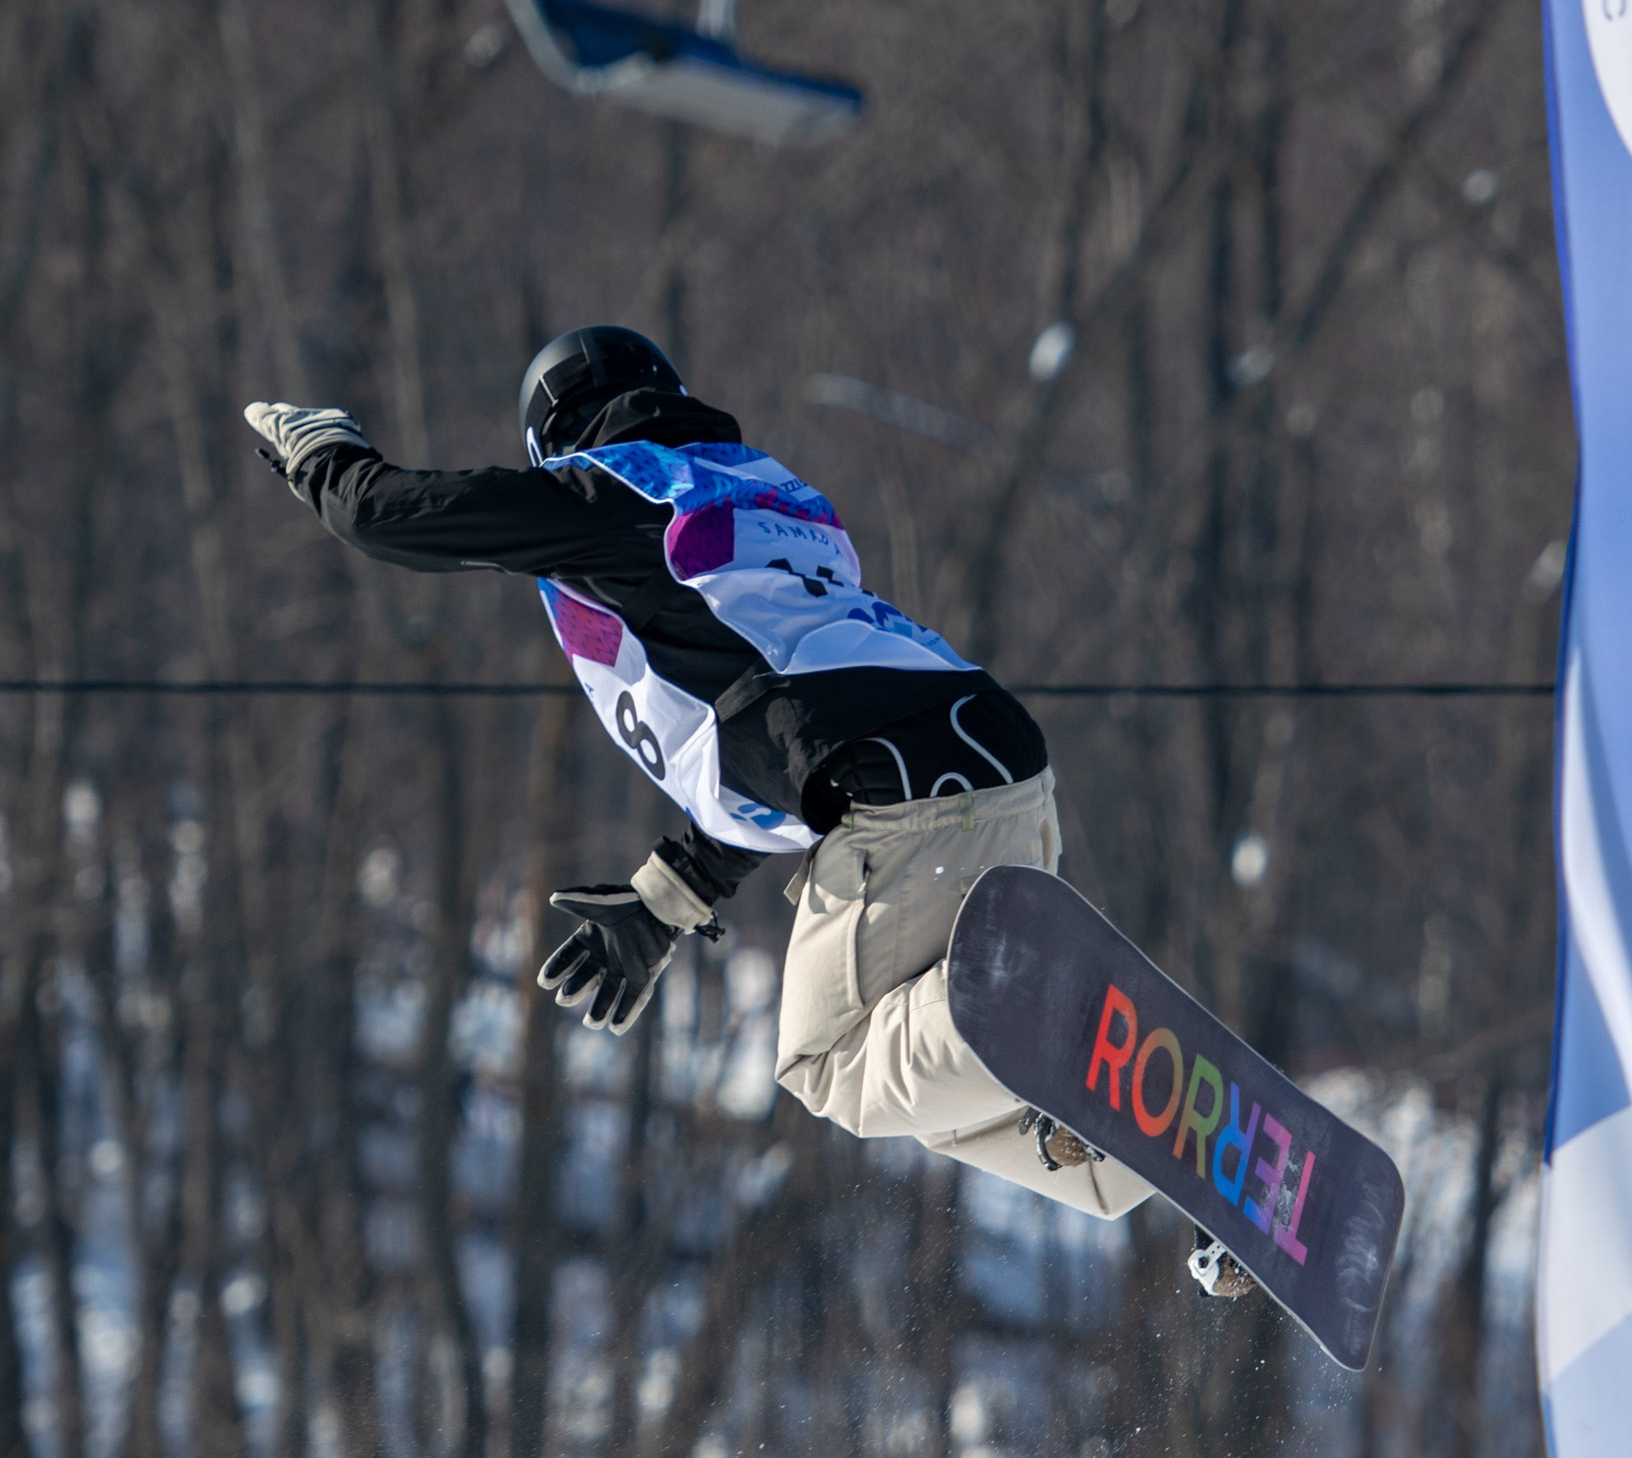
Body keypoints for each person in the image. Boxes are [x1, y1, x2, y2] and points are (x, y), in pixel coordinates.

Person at [245, 328, 1258, 1287]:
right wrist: (661, 903)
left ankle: (1075, 1033)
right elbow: (769, 728)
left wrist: (322, 458)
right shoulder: (768, 501)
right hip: (994, 762)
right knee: (925, 1087)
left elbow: (389, 514)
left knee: (831, 1063)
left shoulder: (611, 491)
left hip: (897, 795)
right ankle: (1174, 1153)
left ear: (554, 439)